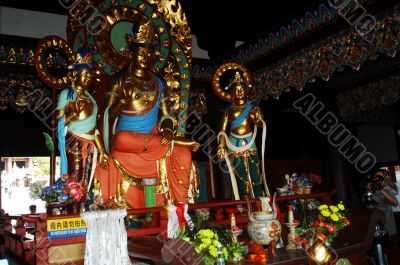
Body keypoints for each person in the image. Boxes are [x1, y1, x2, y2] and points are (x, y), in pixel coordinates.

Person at [95, 20, 199, 209]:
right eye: (141, 53)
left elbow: (166, 115)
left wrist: (167, 130)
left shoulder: (159, 83)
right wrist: (123, 101)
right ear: (131, 54)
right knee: (123, 138)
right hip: (128, 140)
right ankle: (175, 141)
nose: (145, 57)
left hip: (153, 139)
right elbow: (107, 116)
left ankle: (180, 208)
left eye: (149, 54)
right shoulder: (119, 80)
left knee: (183, 154)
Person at [213, 63, 269, 200]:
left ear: (246, 90)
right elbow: (222, 130)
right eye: (236, 90)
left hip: (250, 141)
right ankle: (246, 205)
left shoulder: (252, 107)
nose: (239, 92)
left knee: (256, 175)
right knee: (241, 178)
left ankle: (261, 203)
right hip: (233, 143)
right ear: (231, 93)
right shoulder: (228, 110)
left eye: (241, 89)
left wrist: (257, 118)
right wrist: (221, 145)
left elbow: (261, 125)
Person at [56, 49, 109, 185]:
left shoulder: (91, 98)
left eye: (89, 76)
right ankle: (73, 206)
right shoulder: (67, 94)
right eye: (85, 75)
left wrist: (102, 151)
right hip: (75, 142)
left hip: (92, 144)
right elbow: (55, 121)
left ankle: (84, 206)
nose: (87, 78)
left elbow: (95, 129)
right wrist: (73, 114)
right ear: (75, 74)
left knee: (88, 182)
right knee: (76, 181)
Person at [367, 168, 398, 236]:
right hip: (375, 219)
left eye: (380, 177)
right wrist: (369, 190)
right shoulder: (373, 187)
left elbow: (395, 202)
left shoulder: (387, 188)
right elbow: (368, 202)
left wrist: (382, 191)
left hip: (386, 219)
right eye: (376, 177)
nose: (378, 179)